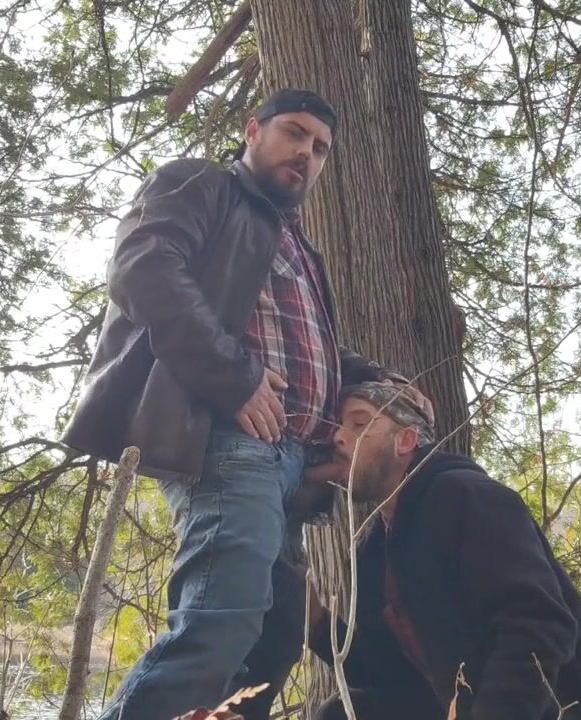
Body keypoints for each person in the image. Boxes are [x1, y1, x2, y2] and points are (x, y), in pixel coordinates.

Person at [59, 88, 429, 720]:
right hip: (230, 441)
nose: (307, 153)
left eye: (320, 148)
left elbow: (317, 350)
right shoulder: (202, 186)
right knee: (220, 624)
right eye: (294, 133)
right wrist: (236, 379)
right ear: (253, 130)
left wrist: (383, 381)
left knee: (272, 642)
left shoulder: (296, 242)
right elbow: (144, 269)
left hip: (292, 467)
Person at [304, 383, 581, 720]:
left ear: (406, 440)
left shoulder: (468, 498)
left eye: (360, 423)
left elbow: (537, 626)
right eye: (338, 426)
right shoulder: (373, 551)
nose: (338, 436)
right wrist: (319, 626)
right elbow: (394, 677)